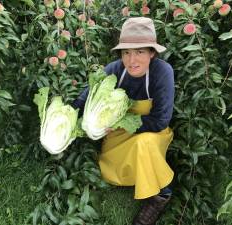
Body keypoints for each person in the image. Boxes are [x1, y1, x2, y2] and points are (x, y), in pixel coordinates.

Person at [72, 17, 174, 225]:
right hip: (117, 132)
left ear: (152, 53)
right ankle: (130, 176)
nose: (132, 60)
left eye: (139, 52)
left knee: (143, 145)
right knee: (108, 169)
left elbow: (160, 120)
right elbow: (85, 96)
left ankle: (160, 196)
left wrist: (120, 122)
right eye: (126, 52)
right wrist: (68, 116)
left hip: (152, 132)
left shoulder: (162, 72)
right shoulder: (114, 69)